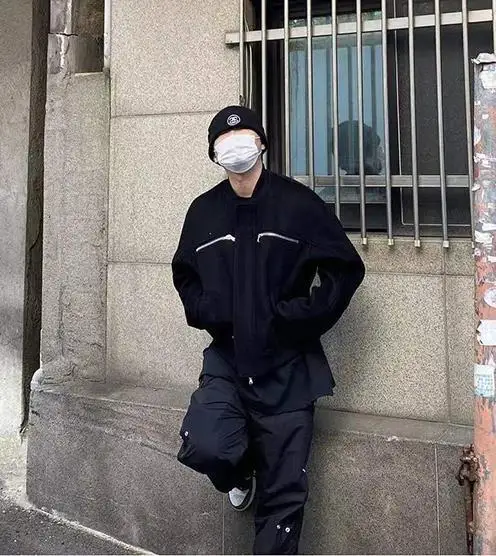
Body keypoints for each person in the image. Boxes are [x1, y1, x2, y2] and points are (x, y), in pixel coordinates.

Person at [172, 105, 365, 555]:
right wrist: (208, 310)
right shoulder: (203, 212)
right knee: (205, 445)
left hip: (288, 370)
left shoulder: (298, 205)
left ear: (261, 144)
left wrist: (300, 316)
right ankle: (240, 472)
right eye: (224, 140)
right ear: (214, 154)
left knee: (283, 500)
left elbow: (344, 268)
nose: (235, 146)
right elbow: (184, 274)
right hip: (227, 363)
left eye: (244, 136)